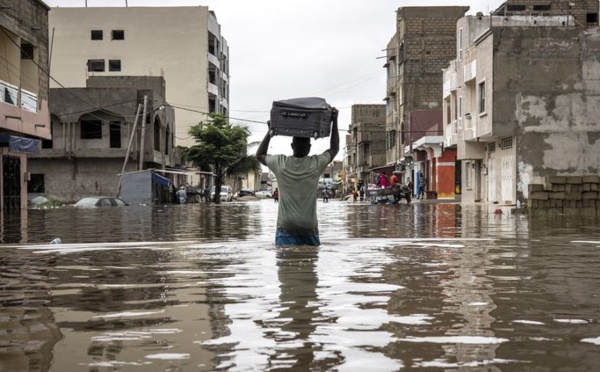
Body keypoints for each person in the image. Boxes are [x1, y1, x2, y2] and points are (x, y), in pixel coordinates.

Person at [256, 108, 339, 246]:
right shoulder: (316, 164)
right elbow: (334, 148)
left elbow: (259, 155)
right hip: (309, 227)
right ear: (309, 147)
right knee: (309, 264)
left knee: (285, 265)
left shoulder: (280, 163)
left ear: (292, 146)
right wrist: (334, 121)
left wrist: (270, 132)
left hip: (286, 226)